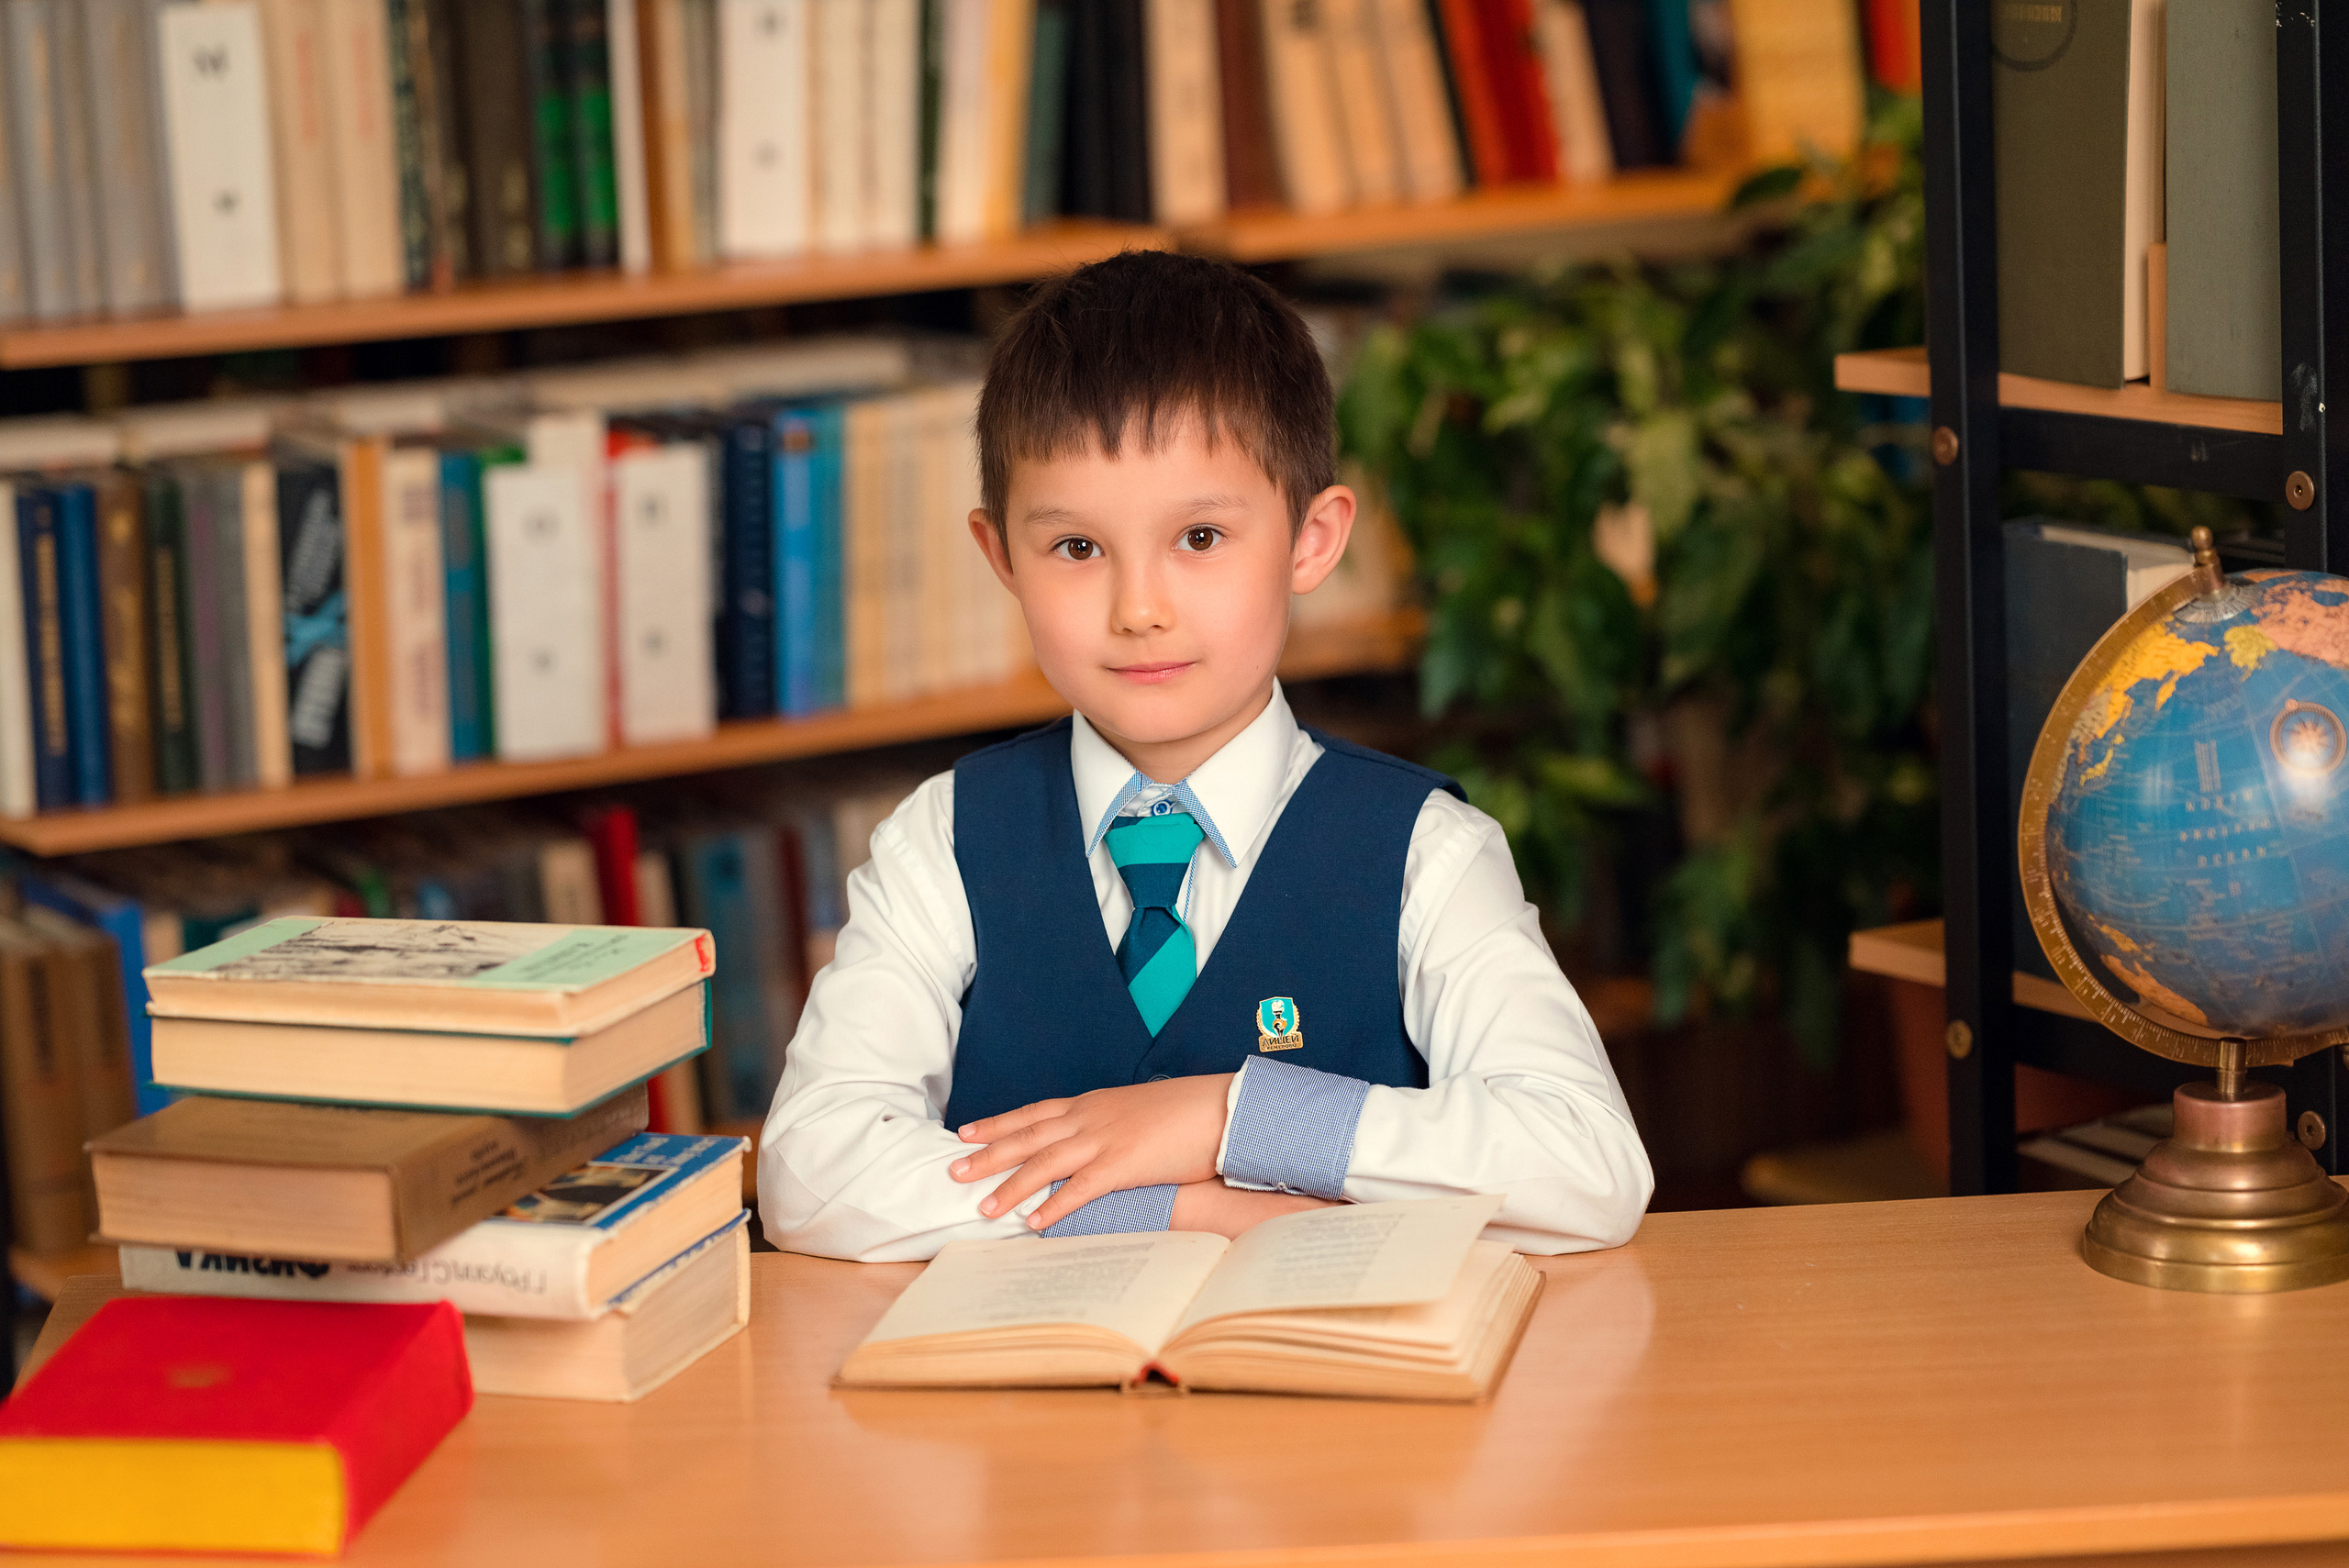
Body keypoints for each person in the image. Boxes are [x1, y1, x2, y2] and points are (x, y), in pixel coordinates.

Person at [758, 250, 1652, 1262]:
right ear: (1001, 554)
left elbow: (1587, 1162)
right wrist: (1182, 1210)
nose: (1140, 608)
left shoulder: (1422, 851)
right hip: (1032, 1367)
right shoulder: (944, 839)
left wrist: (1228, 1115)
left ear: (1312, 540)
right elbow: (809, 1172)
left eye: (1199, 537)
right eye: (1077, 548)